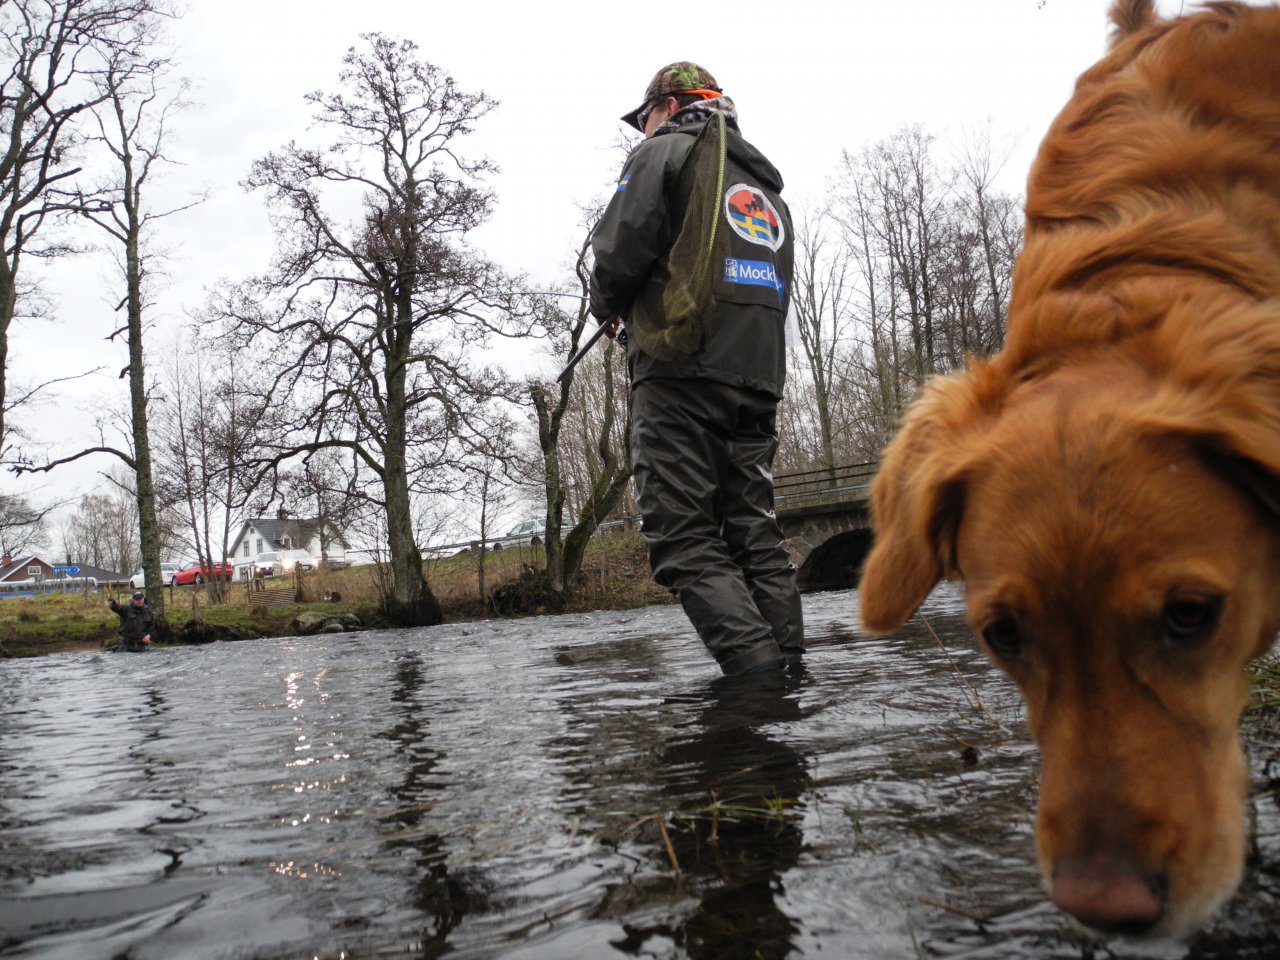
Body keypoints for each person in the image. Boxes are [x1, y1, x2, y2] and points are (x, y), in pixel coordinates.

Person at [589, 62, 804, 676]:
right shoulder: (766, 189)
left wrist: (608, 308)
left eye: (644, 118)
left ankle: (758, 683)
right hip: (758, 378)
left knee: (682, 538)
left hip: (682, 371)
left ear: (670, 105)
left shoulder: (663, 154)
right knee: (754, 538)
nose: (642, 131)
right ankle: (791, 680)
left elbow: (617, 253)